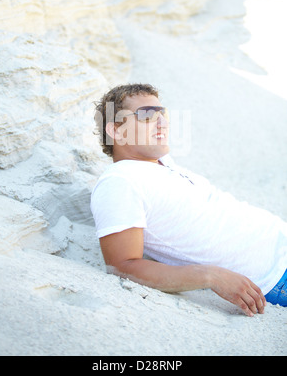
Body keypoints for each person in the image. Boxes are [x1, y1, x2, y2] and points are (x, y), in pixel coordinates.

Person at [91, 83, 287, 317]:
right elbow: (121, 265)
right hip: (275, 275)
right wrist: (210, 276)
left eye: (162, 114)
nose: (162, 122)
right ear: (116, 131)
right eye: (147, 115)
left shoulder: (163, 163)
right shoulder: (120, 181)